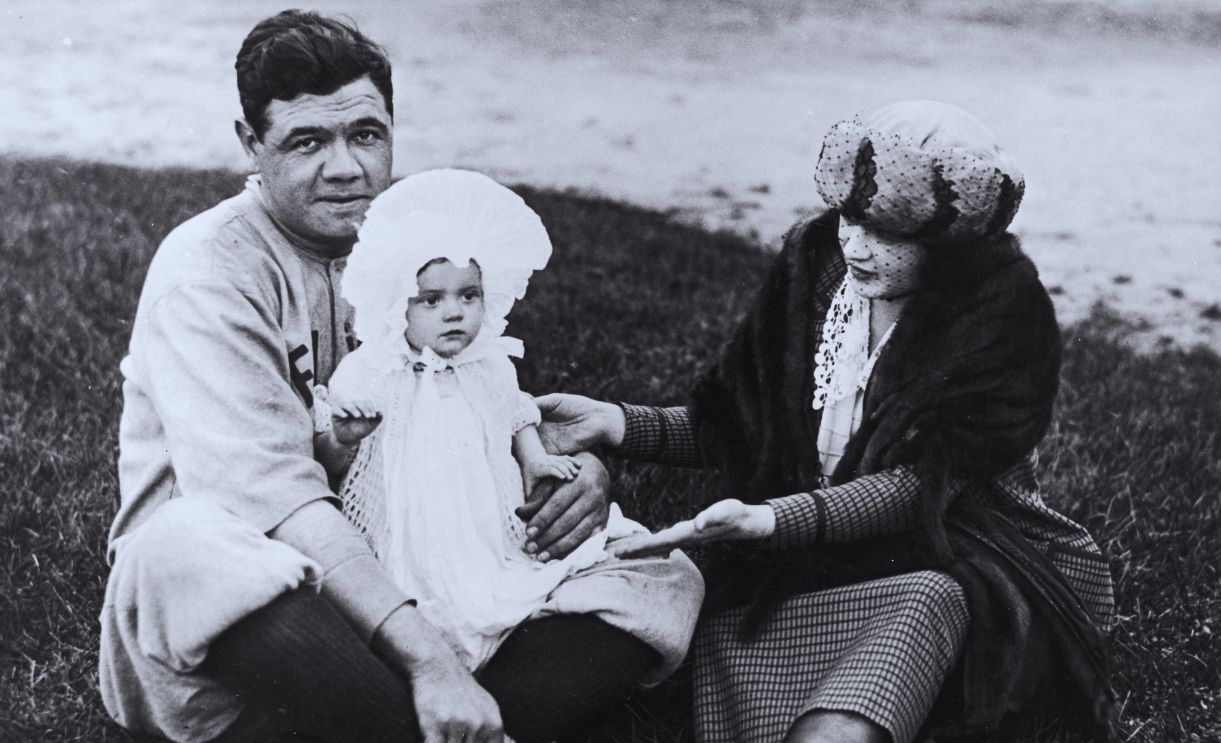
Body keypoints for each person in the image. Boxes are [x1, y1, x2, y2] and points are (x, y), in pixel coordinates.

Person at [98, 11, 701, 743]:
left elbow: (480, 402)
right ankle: (450, 703)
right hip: (268, 590)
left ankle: (436, 719)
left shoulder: (407, 243)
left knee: (658, 567)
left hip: (412, 550)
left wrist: (579, 480)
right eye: (307, 141)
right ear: (250, 144)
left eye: (366, 134)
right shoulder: (208, 271)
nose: (347, 167)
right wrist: (428, 661)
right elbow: (277, 503)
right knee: (183, 547)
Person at [537, 101, 1117, 742]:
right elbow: (738, 424)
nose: (855, 245)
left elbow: (920, 488)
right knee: (721, 614)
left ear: (950, 248)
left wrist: (772, 518)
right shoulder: (815, 270)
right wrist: (615, 424)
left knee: (927, 601)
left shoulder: (1003, 316)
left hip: (960, 555)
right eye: (848, 218)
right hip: (816, 558)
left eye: (888, 235)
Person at [315, 168, 657, 671]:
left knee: (493, 565)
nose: (455, 314)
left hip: (478, 505)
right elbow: (331, 456)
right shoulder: (372, 369)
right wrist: (344, 434)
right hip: (408, 511)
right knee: (413, 574)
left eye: (468, 295)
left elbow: (515, 417)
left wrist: (536, 460)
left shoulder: (488, 363)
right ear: (396, 307)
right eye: (432, 300)